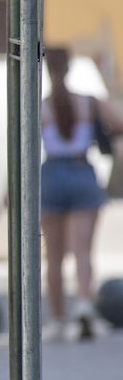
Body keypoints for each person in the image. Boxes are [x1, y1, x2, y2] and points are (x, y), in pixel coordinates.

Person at [40, 47, 123, 341]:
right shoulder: (89, 102)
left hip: (50, 175)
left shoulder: (42, 105)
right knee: (83, 250)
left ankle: (59, 319)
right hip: (81, 172)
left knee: (54, 256)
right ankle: (84, 304)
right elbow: (119, 124)